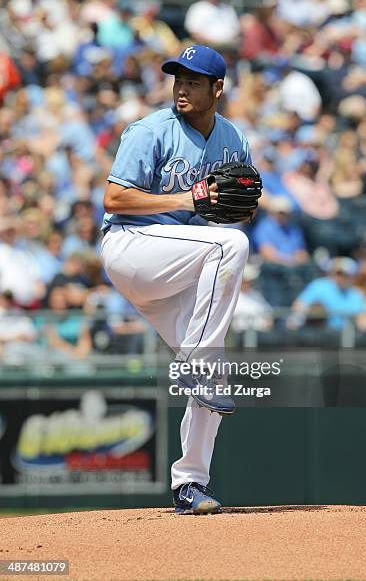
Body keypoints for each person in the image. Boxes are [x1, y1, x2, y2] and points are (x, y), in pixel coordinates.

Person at [101, 45, 253, 515]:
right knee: (231, 246)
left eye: (193, 81)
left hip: (180, 262)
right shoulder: (150, 130)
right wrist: (189, 198)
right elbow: (113, 198)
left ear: (217, 88)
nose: (182, 89)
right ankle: (196, 364)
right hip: (132, 247)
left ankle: (190, 484)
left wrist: (238, 205)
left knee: (214, 374)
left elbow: (241, 205)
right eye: (177, 80)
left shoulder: (232, 139)